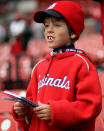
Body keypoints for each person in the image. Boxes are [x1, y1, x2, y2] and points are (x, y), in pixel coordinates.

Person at [12, 1, 102, 131]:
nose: (49, 30)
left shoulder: (82, 64)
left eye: (57, 25)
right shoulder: (39, 66)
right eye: (47, 26)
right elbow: (31, 111)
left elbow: (91, 106)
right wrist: (22, 111)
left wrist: (56, 112)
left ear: (73, 33)